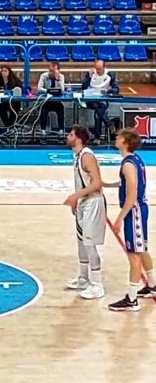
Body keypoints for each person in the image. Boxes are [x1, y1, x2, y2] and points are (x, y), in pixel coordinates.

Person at [103, 129, 156, 311]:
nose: (115, 138)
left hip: (134, 211)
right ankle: (153, 285)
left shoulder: (127, 164)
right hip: (140, 209)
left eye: (118, 137)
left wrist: (120, 218)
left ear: (125, 142)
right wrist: (108, 184)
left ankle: (132, 300)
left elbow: (132, 193)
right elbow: (128, 183)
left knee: (133, 255)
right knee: (142, 249)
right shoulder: (136, 159)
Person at [63, 124, 106, 300]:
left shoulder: (87, 156)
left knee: (89, 244)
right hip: (84, 202)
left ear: (78, 138)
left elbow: (97, 183)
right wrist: (78, 200)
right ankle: (83, 278)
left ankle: (97, 285)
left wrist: (75, 196)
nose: (67, 136)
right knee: (81, 242)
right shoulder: (78, 155)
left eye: (71, 134)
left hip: (93, 202)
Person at [81, 59, 119, 145]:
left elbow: (116, 89)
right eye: (96, 68)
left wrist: (108, 90)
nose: (97, 71)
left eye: (99, 69)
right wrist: (89, 77)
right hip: (89, 100)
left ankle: (97, 138)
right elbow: (83, 87)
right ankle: (108, 124)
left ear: (104, 67)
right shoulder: (90, 73)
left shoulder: (110, 74)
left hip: (103, 100)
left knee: (98, 112)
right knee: (97, 106)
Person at [37, 61, 65, 139]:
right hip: (46, 101)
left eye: (53, 71)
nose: (51, 73)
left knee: (61, 110)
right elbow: (39, 88)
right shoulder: (44, 76)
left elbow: (62, 90)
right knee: (43, 111)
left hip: (57, 102)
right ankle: (43, 131)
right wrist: (48, 91)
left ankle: (61, 131)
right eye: (50, 70)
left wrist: (57, 79)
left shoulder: (61, 77)